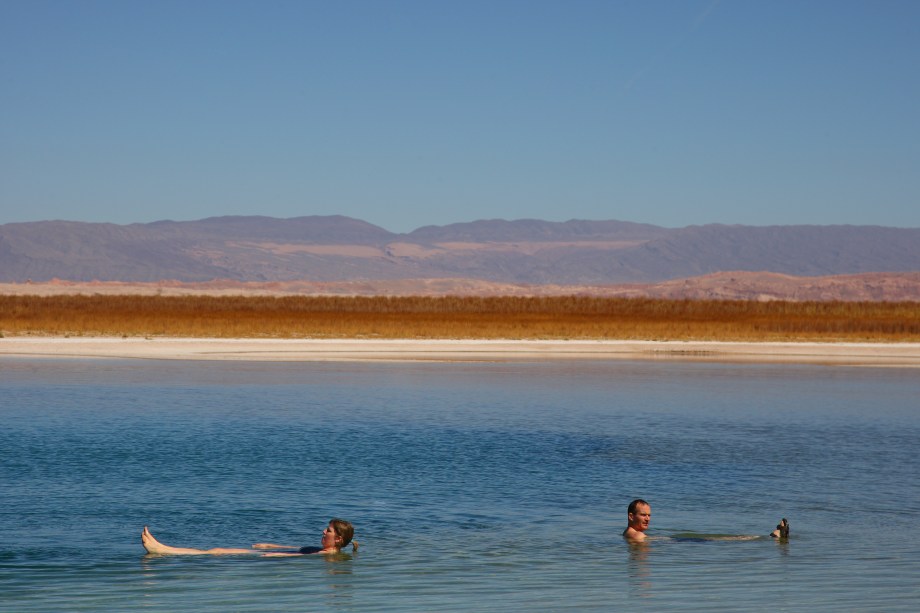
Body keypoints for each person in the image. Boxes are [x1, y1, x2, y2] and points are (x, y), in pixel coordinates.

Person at [141, 518, 358, 556]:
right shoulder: (324, 551)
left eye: (328, 531)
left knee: (216, 552)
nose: (323, 531)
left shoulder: (325, 556)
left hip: (267, 556)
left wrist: (275, 555)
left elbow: (298, 556)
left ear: (338, 539)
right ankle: (163, 548)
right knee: (216, 551)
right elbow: (298, 547)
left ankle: (162, 549)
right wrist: (272, 545)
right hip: (268, 551)